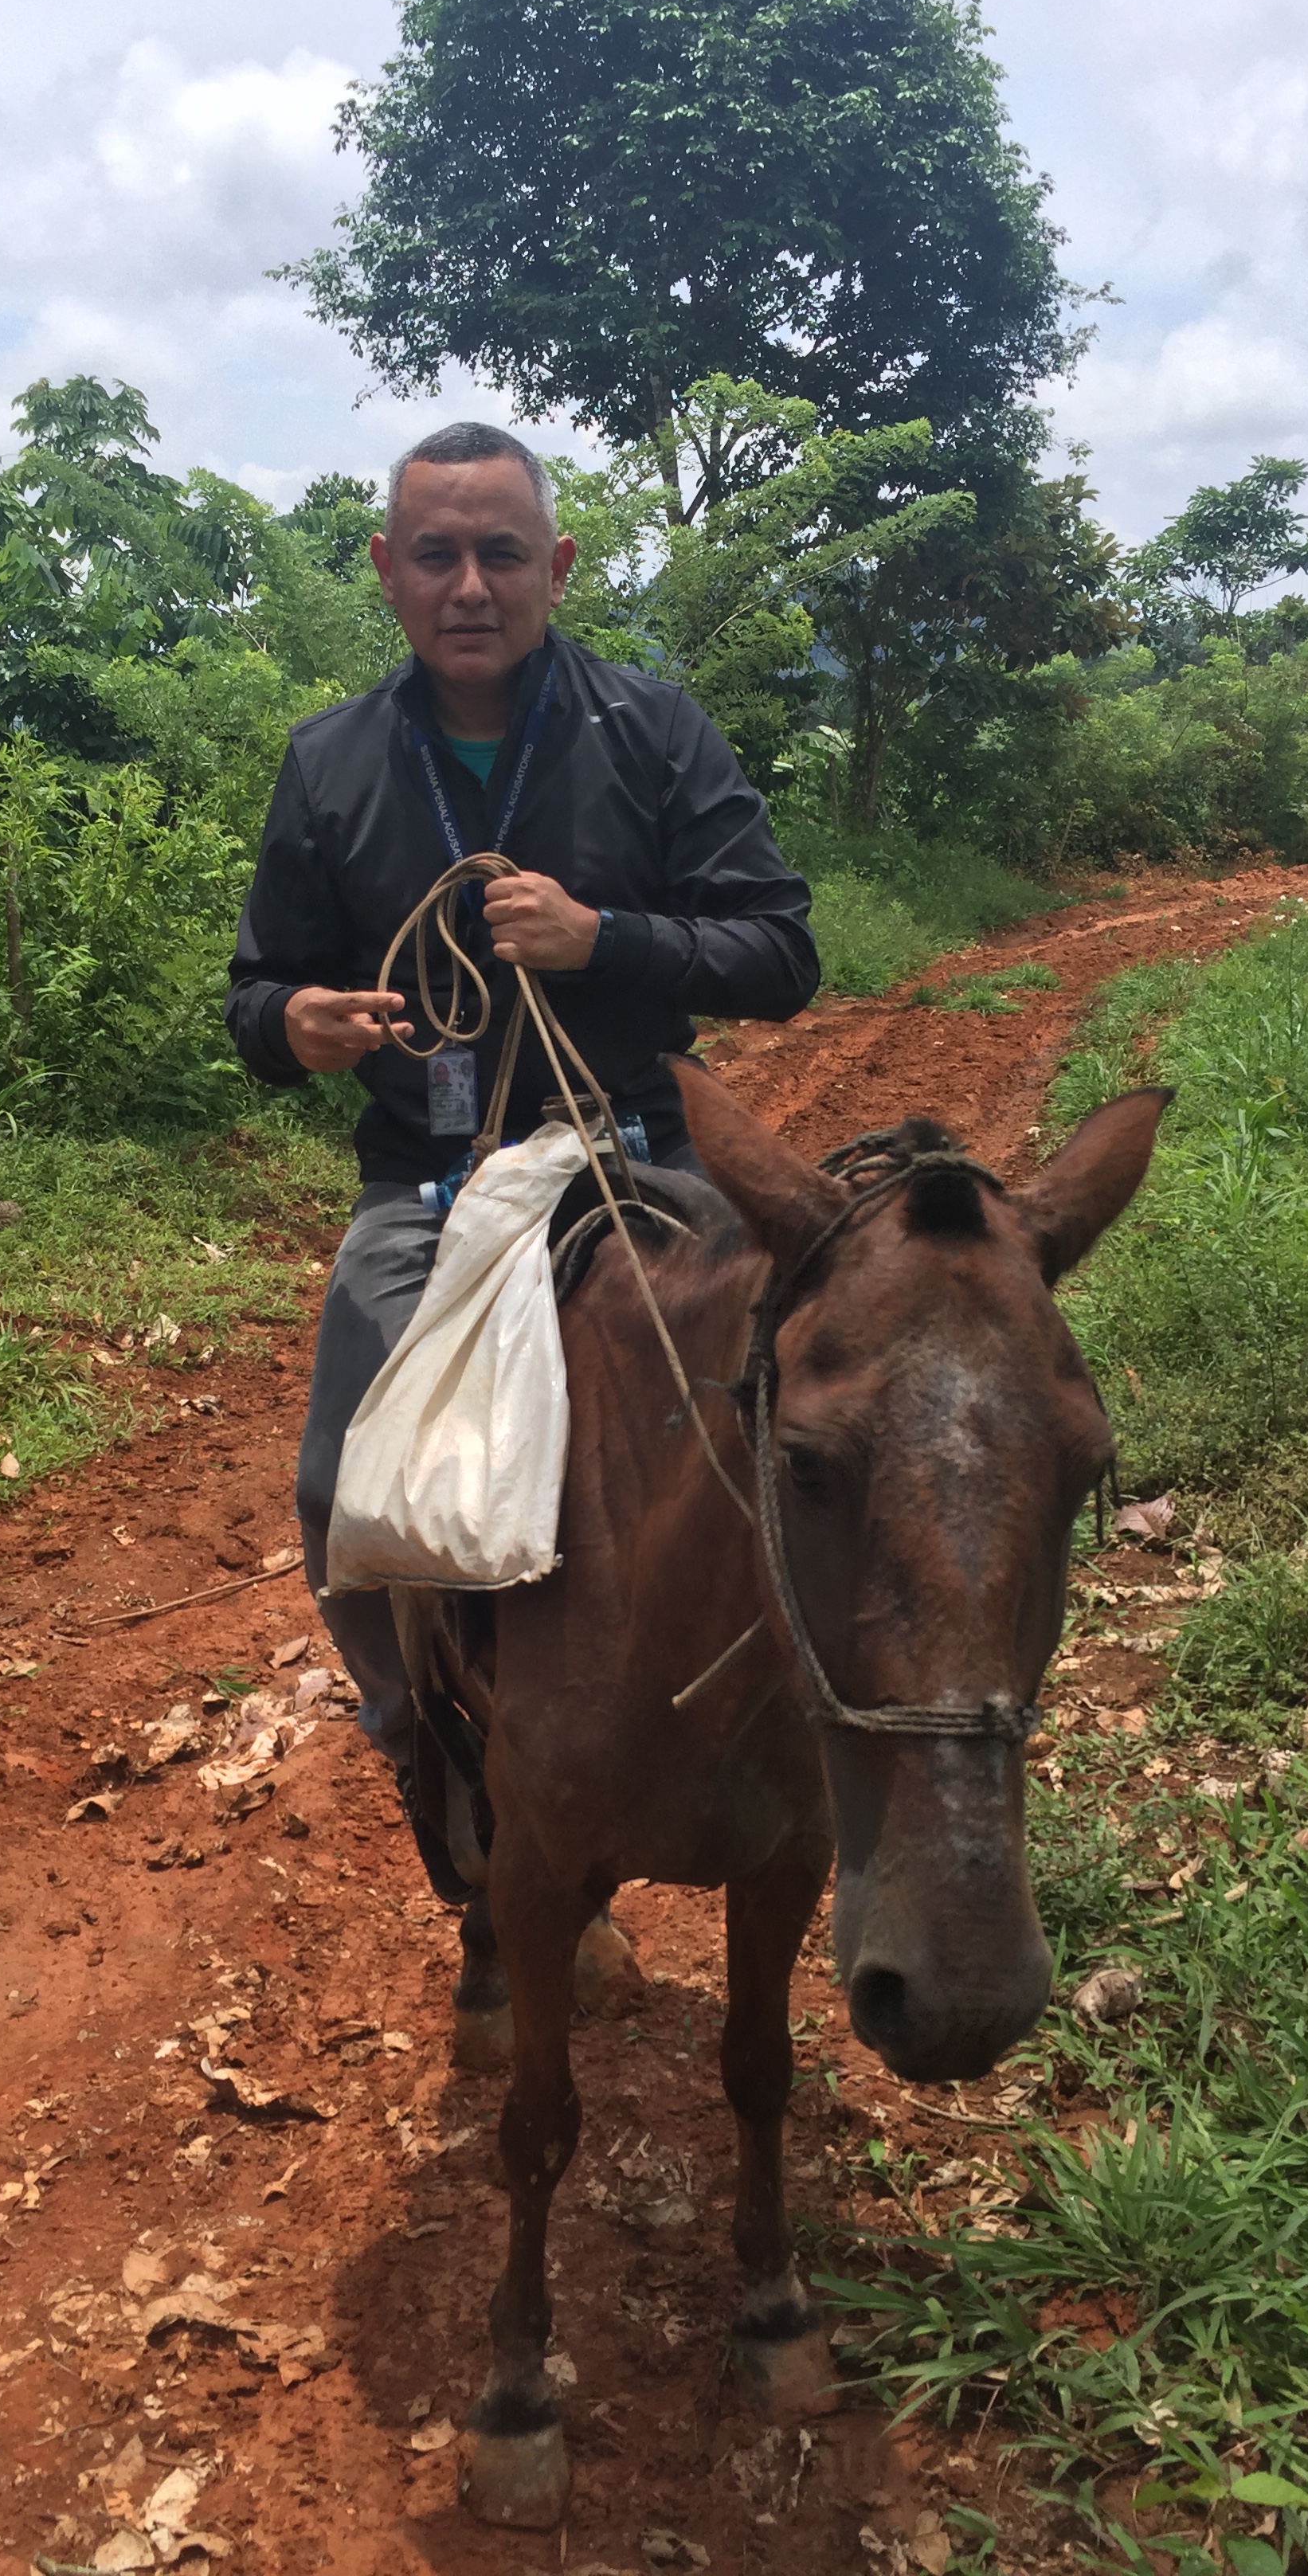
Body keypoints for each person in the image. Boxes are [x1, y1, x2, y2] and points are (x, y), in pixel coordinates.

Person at [226, 420, 818, 1894]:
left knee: (766, 1448)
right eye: (437, 553)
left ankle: (768, 1729)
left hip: (638, 1169)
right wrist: (294, 1020)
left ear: (556, 566)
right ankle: (424, 1740)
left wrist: (603, 939)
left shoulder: (653, 732)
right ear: (386, 571)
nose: (470, 584)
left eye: (502, 553)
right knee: (335, 1494)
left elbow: (783, 952)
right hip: (424, 1192)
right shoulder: (331, 763)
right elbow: (258, 990)